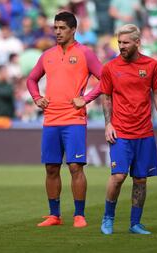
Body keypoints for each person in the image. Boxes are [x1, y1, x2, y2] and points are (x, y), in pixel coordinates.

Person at [27, 11, 102, 228]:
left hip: (74, 119)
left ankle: (79, 215)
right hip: (51, 120)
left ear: (73, 30)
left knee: (75, 167)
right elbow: (31, 79)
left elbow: (105, 79)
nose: (57, 32)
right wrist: (36, 97)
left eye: (62, 28)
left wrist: (86, 99)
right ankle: (55, 215)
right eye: (55, 28)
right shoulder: (47, 55)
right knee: (51, 168)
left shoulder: (85, 53)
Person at [99, 24, 157, 235]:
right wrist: (108, 124)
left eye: (125, 42)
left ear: (137, 43)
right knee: (118, 176)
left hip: (145, 132)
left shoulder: (152, 65)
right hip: (121, 132)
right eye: (119, 42)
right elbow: (106, 96)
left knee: (140, 179)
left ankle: (135, 223)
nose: (121, 46)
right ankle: (108, 218)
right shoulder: (110, 67)